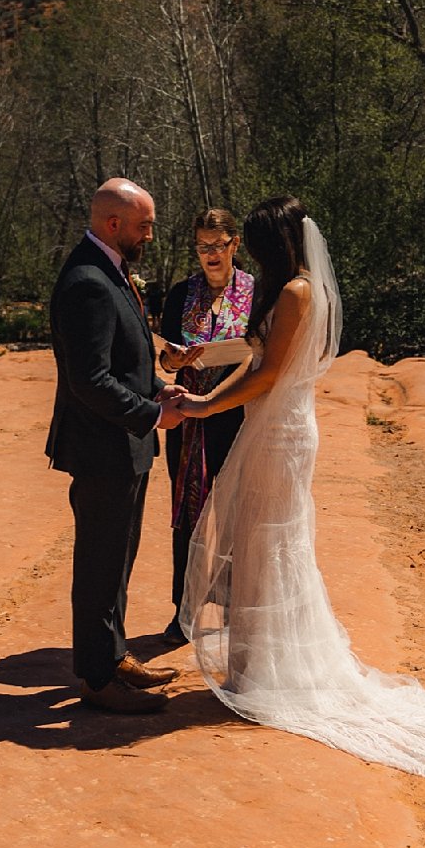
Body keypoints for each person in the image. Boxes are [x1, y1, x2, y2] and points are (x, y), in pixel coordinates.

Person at [174, 195, 425, 779]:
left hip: (281, 430)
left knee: (269, 543)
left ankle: (265, 674)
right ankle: (260, 667)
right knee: (262, 541)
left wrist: (205, 405)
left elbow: (269, 373)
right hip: (276, 425)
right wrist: (208, 377)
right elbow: (259, 357)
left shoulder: (295, 293)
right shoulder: (297, 289)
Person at [45, 178, 192, 715]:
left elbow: (124, 363)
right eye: (144, 226)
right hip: (102, 447)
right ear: (114, 225)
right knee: (99, 563)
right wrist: (154, 415)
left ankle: (115, 653)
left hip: (123, 446)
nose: (150, 235)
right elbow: (90, 379)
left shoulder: (111, 271)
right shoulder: (87, 280)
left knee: (118, 559)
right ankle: (98, 678)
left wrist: (158, 388)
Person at [156, 209, 253, 647]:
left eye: (218, 245)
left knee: (237, 518)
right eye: (202, 246)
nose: (210, 255)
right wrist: (172, 362)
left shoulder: (254, 292)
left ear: (235, 244)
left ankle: (235, 609)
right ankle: (183, 612)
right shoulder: (180, 294)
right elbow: (165, 357)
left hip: (237, 418)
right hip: (189, 422)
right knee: (189, 520)